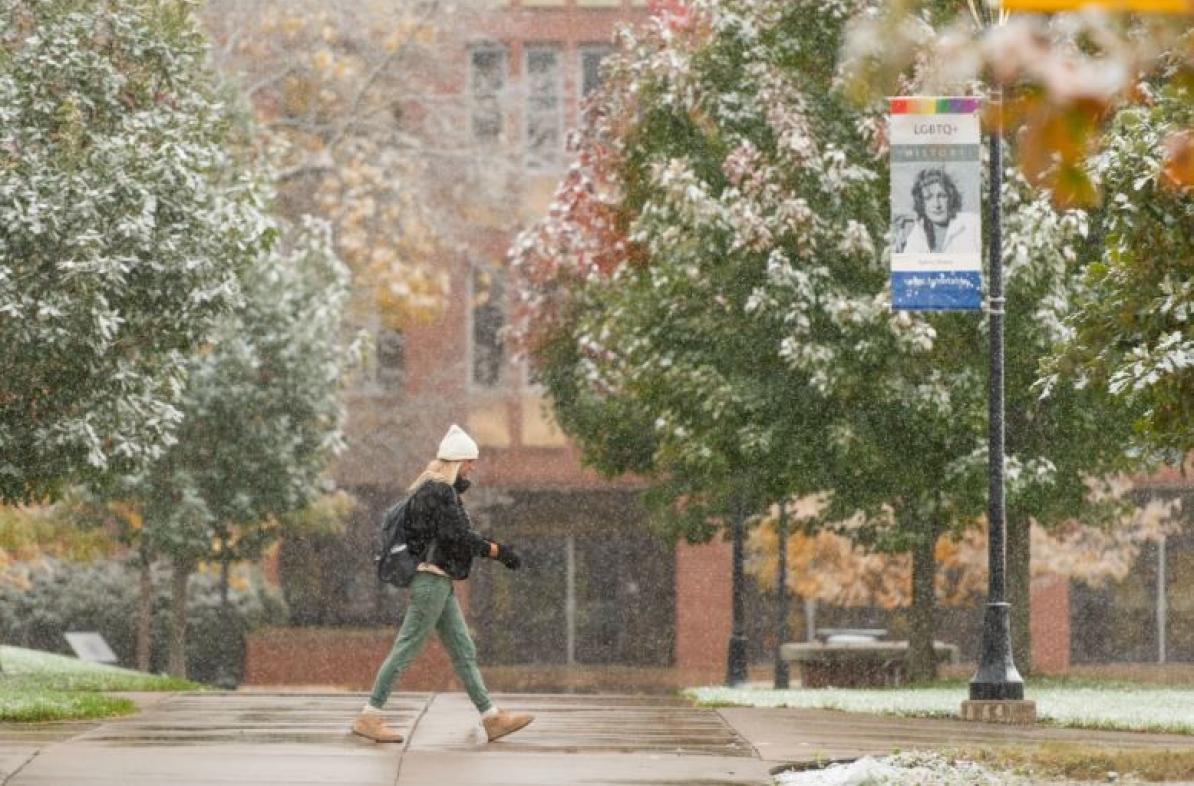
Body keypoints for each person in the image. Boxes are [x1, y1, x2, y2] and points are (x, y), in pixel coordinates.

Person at [351, 424, 533, 744]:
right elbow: (458, 537)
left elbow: (445, 535)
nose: (472, 468)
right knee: (406, 648)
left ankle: (491, 718)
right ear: (457, 462)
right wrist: (499, 551)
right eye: (469, 462)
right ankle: (370, 715)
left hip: (439, 582)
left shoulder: (434, 491)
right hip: (430, 582)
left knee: (464, 650)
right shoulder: (439, 492)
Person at [899, 167, 980, 254]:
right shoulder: (917, 234)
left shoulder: (973, 224)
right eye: (928, 198)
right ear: (921, 203)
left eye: (942, 196)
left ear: (951, 198)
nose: (937, 204)